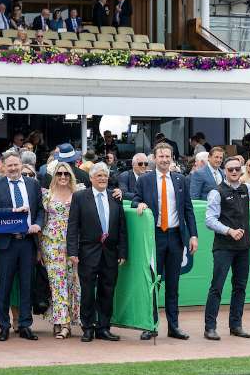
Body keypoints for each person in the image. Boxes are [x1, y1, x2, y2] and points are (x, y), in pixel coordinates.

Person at [203, 157, 250, 340]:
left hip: (243, 247)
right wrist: (229, 231)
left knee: (240, 287)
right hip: (223, 247)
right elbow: (209, 220)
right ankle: (210, 327)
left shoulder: (246, 188)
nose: (234, 172)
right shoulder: (216, 192)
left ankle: (236, 325)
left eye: (237, 169)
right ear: (224, 171)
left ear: (241, 170)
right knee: (217, 287)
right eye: (230, 169)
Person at [132, 142, 198, 340]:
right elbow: (135, 199)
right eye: (161, 156)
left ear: (172, 158)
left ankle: (173, 326)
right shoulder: (145, 180)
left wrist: (193, 235)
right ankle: (150, 326)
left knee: (173, 284)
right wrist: (139, 204)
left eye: (167, 156)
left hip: (176, 237)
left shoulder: (181, 179)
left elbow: (188, 209)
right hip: (155, 237)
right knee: (153, 283)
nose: (164, 160)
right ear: (154, 158)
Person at [0, 151, 44, 341]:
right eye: (9, 165)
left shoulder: (33, 184)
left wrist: (38, 224)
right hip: (7, 243)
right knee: (5, 286)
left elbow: (40, 210)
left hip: (28, 242)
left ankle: (25, 325)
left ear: (21, 165)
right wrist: (12, 211)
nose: (13, 168)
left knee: (27, 285)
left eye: (16, 165)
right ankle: (4, 326)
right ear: (3, 167)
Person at [68, 162, 127, 342]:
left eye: (105, 175)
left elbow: (122, 227)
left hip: (110, 252)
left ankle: (103, 327)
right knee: (87, 291)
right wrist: (72, 251)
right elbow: (73, 226)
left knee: (107, 291)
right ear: (91, 178)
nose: (102, 178)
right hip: (87, 252)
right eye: (99, 175)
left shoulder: (115, 197)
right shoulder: (79, 197)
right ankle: (87, 327)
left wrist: (122, 252)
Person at [40, 162, 81, 339]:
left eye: (66, 174)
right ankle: (64, 324)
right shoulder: (46, 195)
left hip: (73, 243)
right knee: (57, 283)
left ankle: (61, 320)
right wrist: (39, 249)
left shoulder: (79, 193)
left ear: (71, 176)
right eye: (59, 174)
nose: (63, 177)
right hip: (51, 243)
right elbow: (42, 220)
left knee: (72, 283)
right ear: (54, 176)